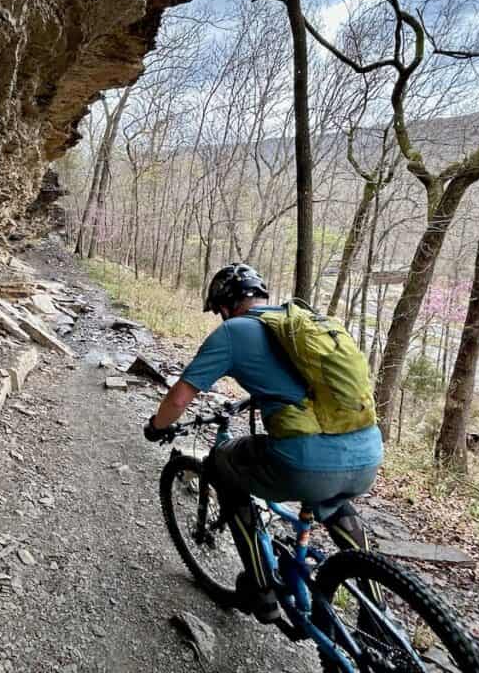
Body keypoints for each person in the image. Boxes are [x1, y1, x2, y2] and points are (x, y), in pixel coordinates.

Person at [143, 264, 383, 623]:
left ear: (226, 305)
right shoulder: (300, 322)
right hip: (366, 454)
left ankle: (261, 589)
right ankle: (378, 611)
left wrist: (156, 427)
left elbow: (179, 398)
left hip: (305, 462)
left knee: (224, 468)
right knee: (336, 503)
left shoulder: (233, 331)